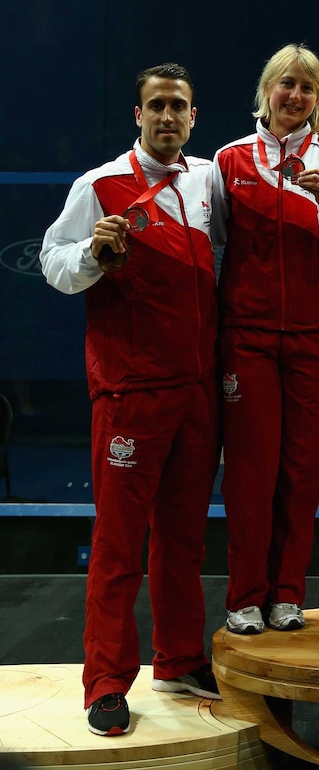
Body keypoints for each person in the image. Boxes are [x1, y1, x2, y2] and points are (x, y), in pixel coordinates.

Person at [40, 64, 221, 738]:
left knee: (183, 539)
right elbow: (55, 263)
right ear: (138, 115)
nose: (168, 116)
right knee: (119, 544)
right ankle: (108, 680)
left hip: (197, 389)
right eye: (156, 106)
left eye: (179, 105)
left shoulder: (208, 180)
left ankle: (177, 657)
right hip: (130, 392)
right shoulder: (100, 184)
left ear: (194, 116)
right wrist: (92, 250)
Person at [211, 44, 319, 635]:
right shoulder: (228, 160)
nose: (295, 96)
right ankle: (245, 595)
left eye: (308, 88)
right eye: (286, 85)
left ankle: (287, 595)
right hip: (245, 335)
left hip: (311, 334)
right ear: (266, 90)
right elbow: (220, 235)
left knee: (302, 468)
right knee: (251, 468)